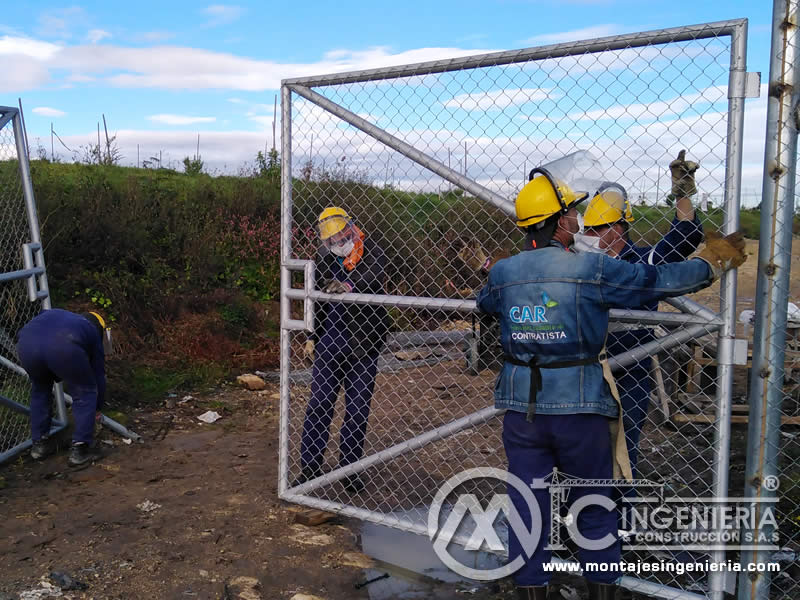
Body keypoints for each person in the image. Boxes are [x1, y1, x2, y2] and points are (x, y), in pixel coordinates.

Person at [475, 152, 746, 600]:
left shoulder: (504, 273)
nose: (579, 221)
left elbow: (486, 305)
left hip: (522, 411)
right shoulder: (587, 268)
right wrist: (714, 262)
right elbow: (657, 281)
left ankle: (529, 588)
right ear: (557, 221)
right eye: (573, 214)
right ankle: (602, 587)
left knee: (528, 506)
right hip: (579, 406)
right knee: (594, 507)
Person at [573, 150, 704, 476]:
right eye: (585, 230)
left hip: (629, 373)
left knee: (620, 455)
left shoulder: (643, 261)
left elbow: (684, 238)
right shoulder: (580, 264)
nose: (585, 237)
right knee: (578, 454)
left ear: (617, 229)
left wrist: (684, 195)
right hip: (583, 372)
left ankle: (618, 517)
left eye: (594, 230)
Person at [297, 207, 389, 493]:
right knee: (319, 405)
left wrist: (348, 284)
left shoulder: (373, 250)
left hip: (364, 342)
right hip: (330, 342)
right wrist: (312, 335)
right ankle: (310, 468)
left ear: (351, 229)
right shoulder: (324, 258)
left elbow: (375, 274)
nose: (338, 243)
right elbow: (315, 299)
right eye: (332, 240)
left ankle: (350, 468)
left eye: (342, 237)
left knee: (357, 410)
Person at [16, 309, 111, 467]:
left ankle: (39, 445)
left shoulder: (62, 316)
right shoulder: (91, 331)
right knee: (85, 391)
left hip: (26, 345)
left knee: (40, 390)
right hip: (63, 345)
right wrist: (97, 407)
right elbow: (98, 376)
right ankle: (80, 449)